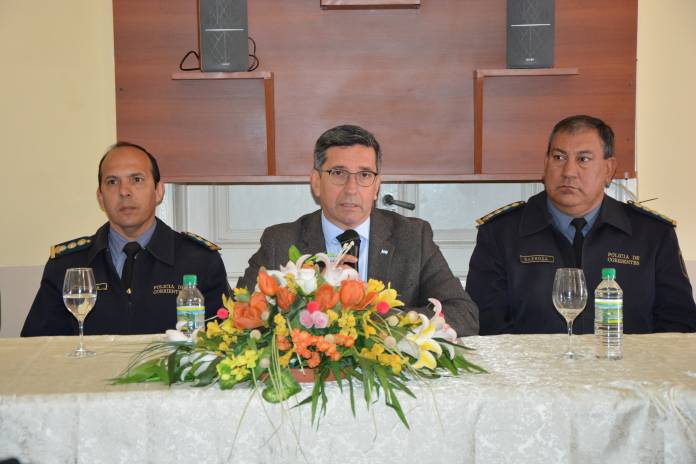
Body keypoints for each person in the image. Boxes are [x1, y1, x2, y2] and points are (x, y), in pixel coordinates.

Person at [237, 125, 479, 335]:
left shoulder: (413, 237)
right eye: (338, 173)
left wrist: (380, 323)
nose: (351, 188)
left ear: (376, 186)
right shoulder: (280, 241)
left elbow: (463, 314)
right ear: (316, 182)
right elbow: (241, 315)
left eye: (364, 175)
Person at [466, 115, 696, 335]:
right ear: (545, 164)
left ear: (608, 169)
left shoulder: (652, 235)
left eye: (583, 159)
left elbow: (679, 326)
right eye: (559, 157)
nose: (568, 172)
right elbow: (487, 326)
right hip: (530, 364)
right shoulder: (500, 234)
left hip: (628, 363)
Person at [22, 142, 229, 336]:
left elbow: (224, 343)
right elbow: (38, 347)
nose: (124, 191)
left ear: (158, 191)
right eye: (112, 182)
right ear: (101, 198)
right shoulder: (67, 266)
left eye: (136, 180)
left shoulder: (200, 261)